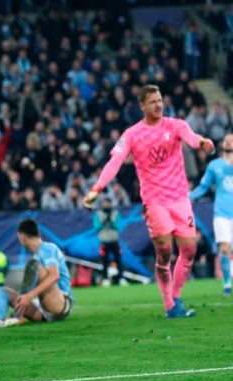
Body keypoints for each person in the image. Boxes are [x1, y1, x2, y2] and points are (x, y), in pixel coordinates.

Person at [83, 84, 215, 319]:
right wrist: (97, 188)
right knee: (164, 250)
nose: (158, 105)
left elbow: (192, 138)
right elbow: (115, 161)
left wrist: (203, 142)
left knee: (189, 249)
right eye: (152, 101)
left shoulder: (176, 125)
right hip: (154, 201)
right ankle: (169, 305)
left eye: (160, 100)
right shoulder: (132, 134)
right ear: (142, 105)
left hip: (180, 198)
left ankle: (175, 297)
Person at [0, 218, 73, 328]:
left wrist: (28, 296)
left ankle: (17, 315)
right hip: (43, 310)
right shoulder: (38, 255)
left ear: (22, 236)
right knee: (2, 291)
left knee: (33, 265)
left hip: (60, 305)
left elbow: (54, 276)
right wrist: (27, 298)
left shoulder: (47, 248)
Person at [190, 133, 233, 296]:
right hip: (221, 213)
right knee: (225, 248)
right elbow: (203, 187)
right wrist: (189, 196)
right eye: (227, 140)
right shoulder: (214, 166)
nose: (229, 141)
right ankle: (227, 283)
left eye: (232, 140)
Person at [93, 197, 127, 286]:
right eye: (105, 203)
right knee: (104, 261)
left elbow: (118, 226)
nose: (106, 205)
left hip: (114, 240)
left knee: (118, 260)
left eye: (108, 203)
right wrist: (104, 221)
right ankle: (105, 278)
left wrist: (111, 221)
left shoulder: (115, 214)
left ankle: (121, 278)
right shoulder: (98, 214)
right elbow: (96, 226)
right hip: (104, 241)